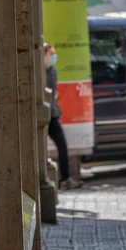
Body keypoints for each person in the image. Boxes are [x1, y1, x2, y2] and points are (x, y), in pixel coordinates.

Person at [44, 43, 82, 190]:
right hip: (45, 114)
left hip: (53, 115)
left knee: (62, 146)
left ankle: (65, 179)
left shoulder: (52, 71)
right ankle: (60, 179)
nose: (53, 57)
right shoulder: (40, 71)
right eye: (50, 54)